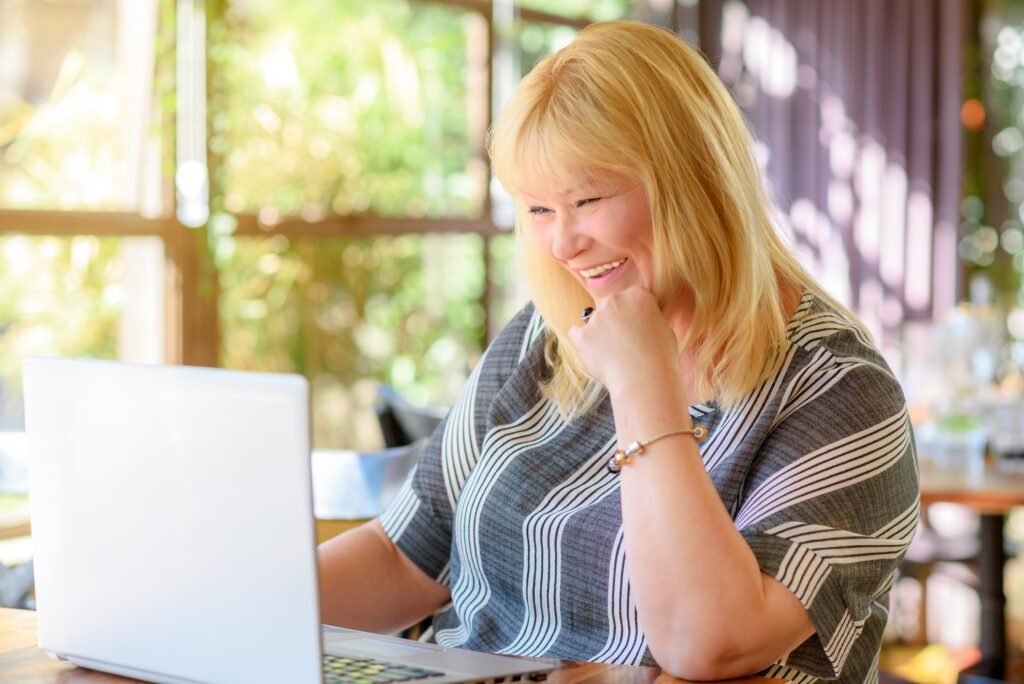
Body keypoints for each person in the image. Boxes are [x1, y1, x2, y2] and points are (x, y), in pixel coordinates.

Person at [318, 20, 918, 683]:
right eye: (539, 209)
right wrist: (226, 602)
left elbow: (708, 643)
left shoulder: (841, 393)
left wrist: (643, 385)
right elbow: (407, 555)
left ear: (695, 180)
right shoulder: (543, 339)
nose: (560, 244)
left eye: (586, 200)